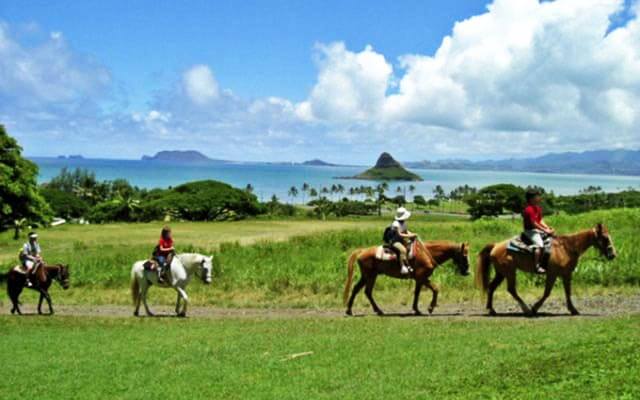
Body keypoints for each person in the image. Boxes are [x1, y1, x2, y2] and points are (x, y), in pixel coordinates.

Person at [522, 190, 555, 274]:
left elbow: (540, 220)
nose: (539, 198)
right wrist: (545, 230)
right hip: (530, 231)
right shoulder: (528, 209)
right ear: (531, 199)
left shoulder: (538, 208)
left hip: (537, 230)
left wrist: (548, 228)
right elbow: (534, 223)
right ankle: (537, 266)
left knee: (554, 239)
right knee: (539, 245)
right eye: (537, 196)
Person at [390, 207, 417, 275]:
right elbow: (400, 234)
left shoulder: (403, 223)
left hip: (401, 239)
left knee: (411, 246)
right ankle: (402, 267)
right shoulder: (395, 223)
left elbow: (405, 231)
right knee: (403, 250)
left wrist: (412, 234)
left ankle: (408, 261)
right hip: (395, 240)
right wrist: (410, 236)